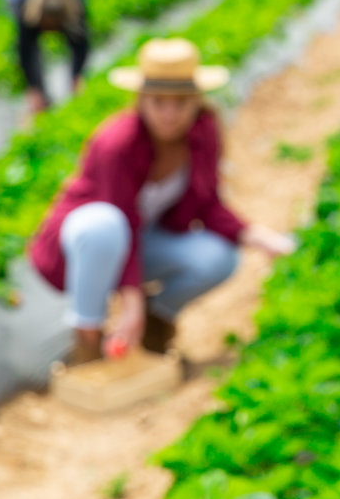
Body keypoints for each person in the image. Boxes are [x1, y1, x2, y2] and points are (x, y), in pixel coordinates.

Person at [27, 38, 296, 365]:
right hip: (83, 248)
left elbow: (207, 204)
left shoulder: (203, 133)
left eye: (180, 103)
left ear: (196, 100)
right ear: (140, 100)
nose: (170, 114)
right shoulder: (117, 143)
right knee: (104, 225)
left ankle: (156, 325)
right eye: (158, 102)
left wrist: (256, 235)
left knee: (219, 256)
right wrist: (131, 299)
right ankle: (88, 339)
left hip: (138, 240)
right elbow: (121, 220)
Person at [1, 0, 91, 113]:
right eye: (46, 26)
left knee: (76, 37)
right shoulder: (26, 11)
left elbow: (81, 43)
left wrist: (77, 76)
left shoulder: (76, 7)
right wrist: (34, 89)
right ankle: (42, 97)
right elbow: (24, 51)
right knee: (31, 53)